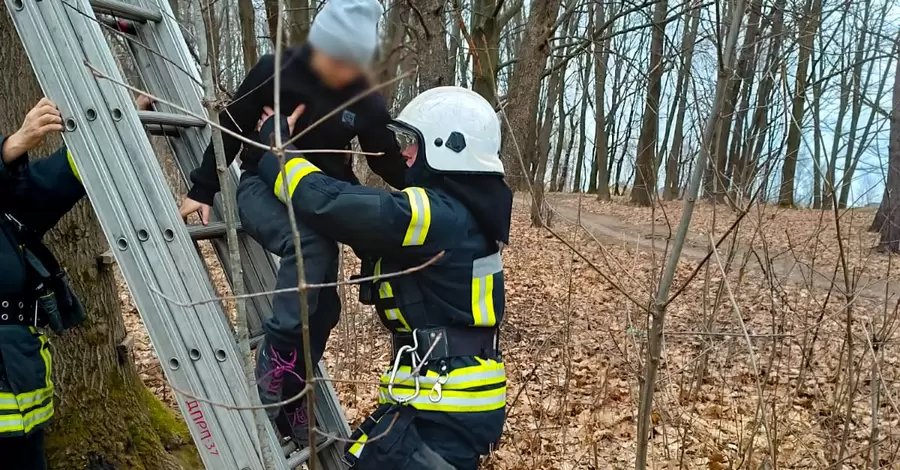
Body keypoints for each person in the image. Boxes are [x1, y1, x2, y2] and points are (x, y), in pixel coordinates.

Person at [176, 0, 406, 448]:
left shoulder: (364, 98)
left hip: (316, 201)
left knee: (326, 308)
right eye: (333, 57)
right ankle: (273, 367)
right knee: (310, 249)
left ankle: (294, 395)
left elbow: (388, 161)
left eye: (350, 61)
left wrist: (438, 186)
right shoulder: (274, 72)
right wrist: (202, 188)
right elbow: (228, 127)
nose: (340, 70)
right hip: (261, 186)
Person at [252, 86, 512, 469]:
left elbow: (327, 204)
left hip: (442, 409)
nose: (405, 153)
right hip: (444, 403)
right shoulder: (461, 212)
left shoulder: (436, 216)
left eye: (413, 144)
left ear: (447, 147)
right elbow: (372, 223)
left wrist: (277, 148)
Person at [0, 96, 153, 470]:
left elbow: (49, 185)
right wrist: (10, 147)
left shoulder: (9, 210)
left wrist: (110, 125)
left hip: (20, 377)